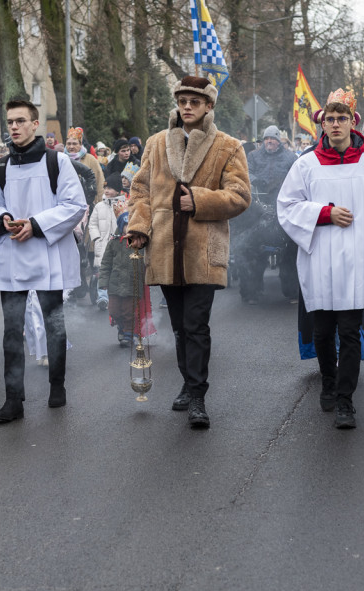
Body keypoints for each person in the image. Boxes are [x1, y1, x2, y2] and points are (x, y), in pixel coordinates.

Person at [126, 75, 251, 429]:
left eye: (195, 102)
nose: (187, 107)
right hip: (165, 247)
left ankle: (198, 396)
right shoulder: (156, 143)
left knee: (196, 324)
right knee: (179, 325)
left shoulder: (228, 146)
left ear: (209, 106)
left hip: (202, 250)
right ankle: (187, 382)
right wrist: (138, 227)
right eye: (182, 101)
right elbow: (141, 191)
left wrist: (198, 199)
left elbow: (240, 195)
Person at [278, 88, 364, 429]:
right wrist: (324, 213)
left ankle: (346, 399)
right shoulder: (306, 164)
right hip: (318, 257)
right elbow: (286, 207)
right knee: (322, 331)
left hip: (355, 260)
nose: (335, 124)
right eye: (329, 119)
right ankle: (328, 385)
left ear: (353, 122)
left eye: (341, 118)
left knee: (349, 331)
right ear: (323, 124)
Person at [0, 99, 87, 422]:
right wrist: (4, 218)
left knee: (54, 324)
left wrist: (36, 225)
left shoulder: (57, 162)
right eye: (10, 121)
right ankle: (13, 398)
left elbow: (75, 205)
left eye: (20, 121)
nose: (13, 126)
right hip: (14, 254)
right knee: (12, 330)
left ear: (34, 124)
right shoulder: (1, 167)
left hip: (46, 252)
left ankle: (57, 385)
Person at [236, 124, 298, 304]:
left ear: (279, 141)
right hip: (257, 208)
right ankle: (250, 292)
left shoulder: (290, 157)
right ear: (263, 141)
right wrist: (258, 182)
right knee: (247, 247)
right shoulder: (253, 156)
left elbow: (297, 177)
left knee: (292, 249)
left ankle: (292, 291)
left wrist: (284, 186)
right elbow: (245, 173)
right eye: (267, 139)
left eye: (273, 139)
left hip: (283, 208)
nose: (270, 141)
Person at [98, 198, 148, 345]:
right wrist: (103, 282)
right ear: (120, 226)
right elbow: (106, 264)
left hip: (132, 285)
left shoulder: (140, 244)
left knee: (129, 312)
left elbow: (147, 262)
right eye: (125, 224)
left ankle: (127, 333)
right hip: (115, 285)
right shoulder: (114, 244)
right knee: (114, 310)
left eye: (131, 224)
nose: (128, 228)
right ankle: (121, 327)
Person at [89, 173, 125, 309]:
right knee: (103, 272)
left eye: (110, 188)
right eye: (105, 188)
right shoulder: (99, 206)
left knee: (117, 272)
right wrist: (96, 237)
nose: (107, 191)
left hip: (118, 244)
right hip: (102, 243)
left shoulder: (123, 206)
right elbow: (92, 224)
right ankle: (103, 297)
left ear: (117, 190)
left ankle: (116, 297)